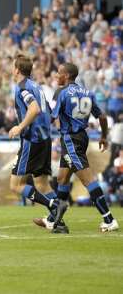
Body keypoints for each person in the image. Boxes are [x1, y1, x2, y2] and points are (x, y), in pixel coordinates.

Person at [52, 63, 118, 233]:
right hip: (82, 137)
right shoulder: (88, 93)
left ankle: (109, 219)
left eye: (59, 73)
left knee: (87, 179)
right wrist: (103, 136)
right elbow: (102, 117)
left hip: (70, 139)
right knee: (62, 177)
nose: (56, 75)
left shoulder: (62, 93)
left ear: (66, 76)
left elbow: (52, 118)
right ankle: (54, 218)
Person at [8, 55, 63, 232]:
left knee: (16, 185)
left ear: (17, 69)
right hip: (45, 138)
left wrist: (20, 126)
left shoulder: (22, 87)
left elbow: (35, 109)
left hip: (32, 140)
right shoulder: (37, 87)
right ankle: (58, 222)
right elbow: (49, 110)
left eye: (12, 66)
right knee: (42, 183)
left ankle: (55, 205)